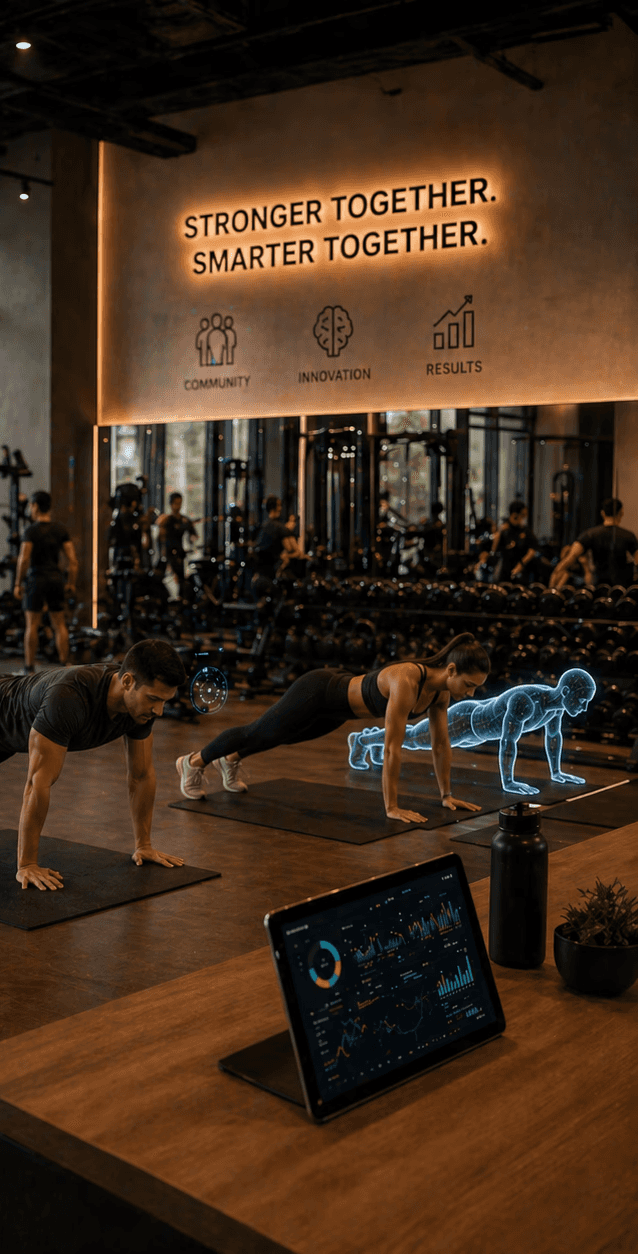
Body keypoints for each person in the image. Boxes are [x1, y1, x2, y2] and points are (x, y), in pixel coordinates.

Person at [176, 633, 489, 823]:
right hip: (318, 691)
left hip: (338, 712)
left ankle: (230, 759)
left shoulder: (441, 693)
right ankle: (193, 763)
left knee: (281, 735)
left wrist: (446, 795)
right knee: (259, 730)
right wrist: (391, 807)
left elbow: (440, 744)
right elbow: (392, 748)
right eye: (470, 684)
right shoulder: (407, 679)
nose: (471, 693)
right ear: (451, 669)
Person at [0, 639, 187, 891]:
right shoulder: (68, 697)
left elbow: (141, 775)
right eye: (154, 698)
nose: (159, 711)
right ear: (128, 682)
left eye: (165, 701)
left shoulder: (140, 709)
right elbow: (38, 783)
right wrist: (26, 865)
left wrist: (143, 845)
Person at [348, 668, 596, 796]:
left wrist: (557, 773)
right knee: (414, 739)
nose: (584, 708)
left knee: (414, 737)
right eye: (582, 701)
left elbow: (554, 737)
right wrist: (508, 782)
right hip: (465, 722)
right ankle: (363, 740)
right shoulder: (527, 701)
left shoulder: (555, 709)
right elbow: (508, 741)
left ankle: (371, 737)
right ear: (565, 693)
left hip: (476, 732)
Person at [13, 490, 79, 674]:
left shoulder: (31, 531)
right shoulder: (60, 530)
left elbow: (24, 559)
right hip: (55, 579)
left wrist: (18, 583)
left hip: (36, 579)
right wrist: (71, 583)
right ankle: (64, 665)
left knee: (31, 625)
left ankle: (28, 668)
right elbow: (73, 562)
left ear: (35, 506)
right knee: (59, 624)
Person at [549, 498, 638, 589]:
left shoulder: (590, 534)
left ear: (602, 513)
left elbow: (571, 556)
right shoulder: (629, 536)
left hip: (598, 586)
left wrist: (556, 572)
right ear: (621, 513)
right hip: (620, 588)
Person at [480, 500, 538, 582]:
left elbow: (532, 549)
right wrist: (499, 533)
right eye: (523, 515)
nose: (524, 518)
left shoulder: (525, 531)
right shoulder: (504, 530)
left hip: (521, 570)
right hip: (504, 570)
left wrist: (521, 564)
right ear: (515, 515)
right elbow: (493, 550)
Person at [156, 492, 198, 597]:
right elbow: (161, 539)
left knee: (181, 579)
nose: (178, 506)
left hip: (179, 553)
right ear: (171, 504)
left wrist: (192, 540)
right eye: (175, 503)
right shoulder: (166, 520)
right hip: (167, 553)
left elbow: (193, 534)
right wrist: (163, 554)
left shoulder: (184, 520)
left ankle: (180, 599)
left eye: (180, 503)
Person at [252, 495, 298, 587]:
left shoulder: (266, 525)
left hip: (263, 567)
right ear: (275, 507)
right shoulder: (277, 526)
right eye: (279, 505)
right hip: (271, 566)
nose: (281, 508)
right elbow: (292, 548)